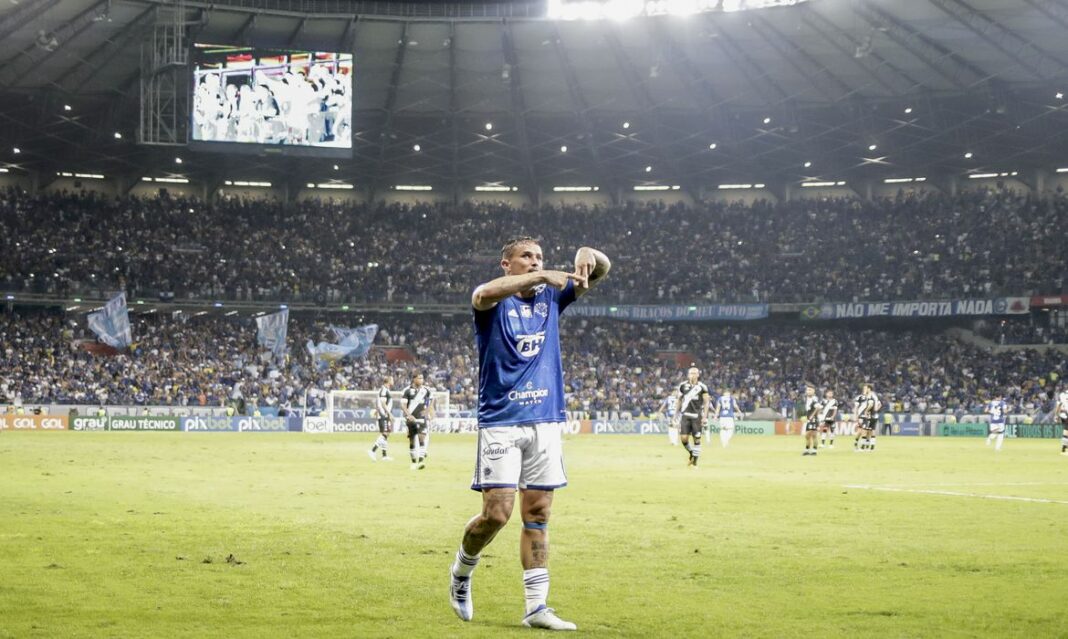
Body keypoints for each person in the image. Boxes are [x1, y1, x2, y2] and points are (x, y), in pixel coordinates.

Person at [448, 237, 610, 631]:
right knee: (496, 515)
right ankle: (462, 572)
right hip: (501, 420)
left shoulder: (551, 298)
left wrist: (587, 255)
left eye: (539, 257)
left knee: (537, 515)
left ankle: (536, 607)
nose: (536, 262)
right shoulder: (493, 303)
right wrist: (540, 276)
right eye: (526, 257)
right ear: (506, 264)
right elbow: (481, 293)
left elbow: (601, 269)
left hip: (545, 421)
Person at [675, 366, 711, 467]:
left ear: (698, 375)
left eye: (695, 373)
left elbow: (706, 402)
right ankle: (691, 453)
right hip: (685, 416)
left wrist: (704, 417)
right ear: (688, 375)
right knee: (684, 438)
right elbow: (679, 400)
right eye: (691, 373)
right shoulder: (682, 386)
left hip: (697, 416)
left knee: (697, 439)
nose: (693, 375)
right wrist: (675, 414)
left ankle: (695, 463)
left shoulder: (702, 387)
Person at [401, 372, 432, 470]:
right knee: (412, 441)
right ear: (414, 379)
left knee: (421, 438)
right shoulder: (407, 391)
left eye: (422, 378)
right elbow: (403, 405)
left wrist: (428, 411)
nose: (421, 380)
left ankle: (421, 461)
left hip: (422, 418)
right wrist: (408, 415)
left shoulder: (426, 390)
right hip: (411, 419)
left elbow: (431, 401)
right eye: (419, 378)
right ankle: (413, 462)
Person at [368, 375, 395, 462]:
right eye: (392, 379)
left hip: (385, 415)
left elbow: (379, 402)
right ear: (388, 381)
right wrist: (389, 414)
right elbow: (383, 403)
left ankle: (384, 456)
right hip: (383, 415)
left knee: (386, 434)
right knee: (385, 434)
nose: (393, 381)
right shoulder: (383, 390)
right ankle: (372, 451)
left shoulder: (385, 390)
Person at [853, 384, 881, 452]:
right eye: (864, 388)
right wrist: (856, 416)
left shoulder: (870, 396)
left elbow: (879, 404)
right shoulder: (860, 397)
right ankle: (856, 444)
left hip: (868, 416)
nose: (865, 390)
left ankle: (866, 447)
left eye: (866, 388)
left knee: (868, 431)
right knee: (860, 431)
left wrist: (874, 411)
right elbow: (856, 408)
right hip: (861, 416)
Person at [802, 385, 821, 456]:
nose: (808, 391)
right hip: (809, 419)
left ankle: (814, 451)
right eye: (807, 390)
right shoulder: (807, 399)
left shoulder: (814, 399)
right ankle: (807, 450)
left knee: (813, 435)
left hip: (813, 419)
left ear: (813, 391)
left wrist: (813, 415)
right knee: (807, 436)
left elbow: (818, 408)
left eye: (810, 390)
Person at [1056, 386, 1068, 456]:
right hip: (1066, 414)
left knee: (1066, 431)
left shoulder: (1062, 395)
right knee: (1066, 431)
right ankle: (1064, 448)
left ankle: (1064, 448)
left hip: (1064, 415)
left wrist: (1056, 415)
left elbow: (1058, 406)